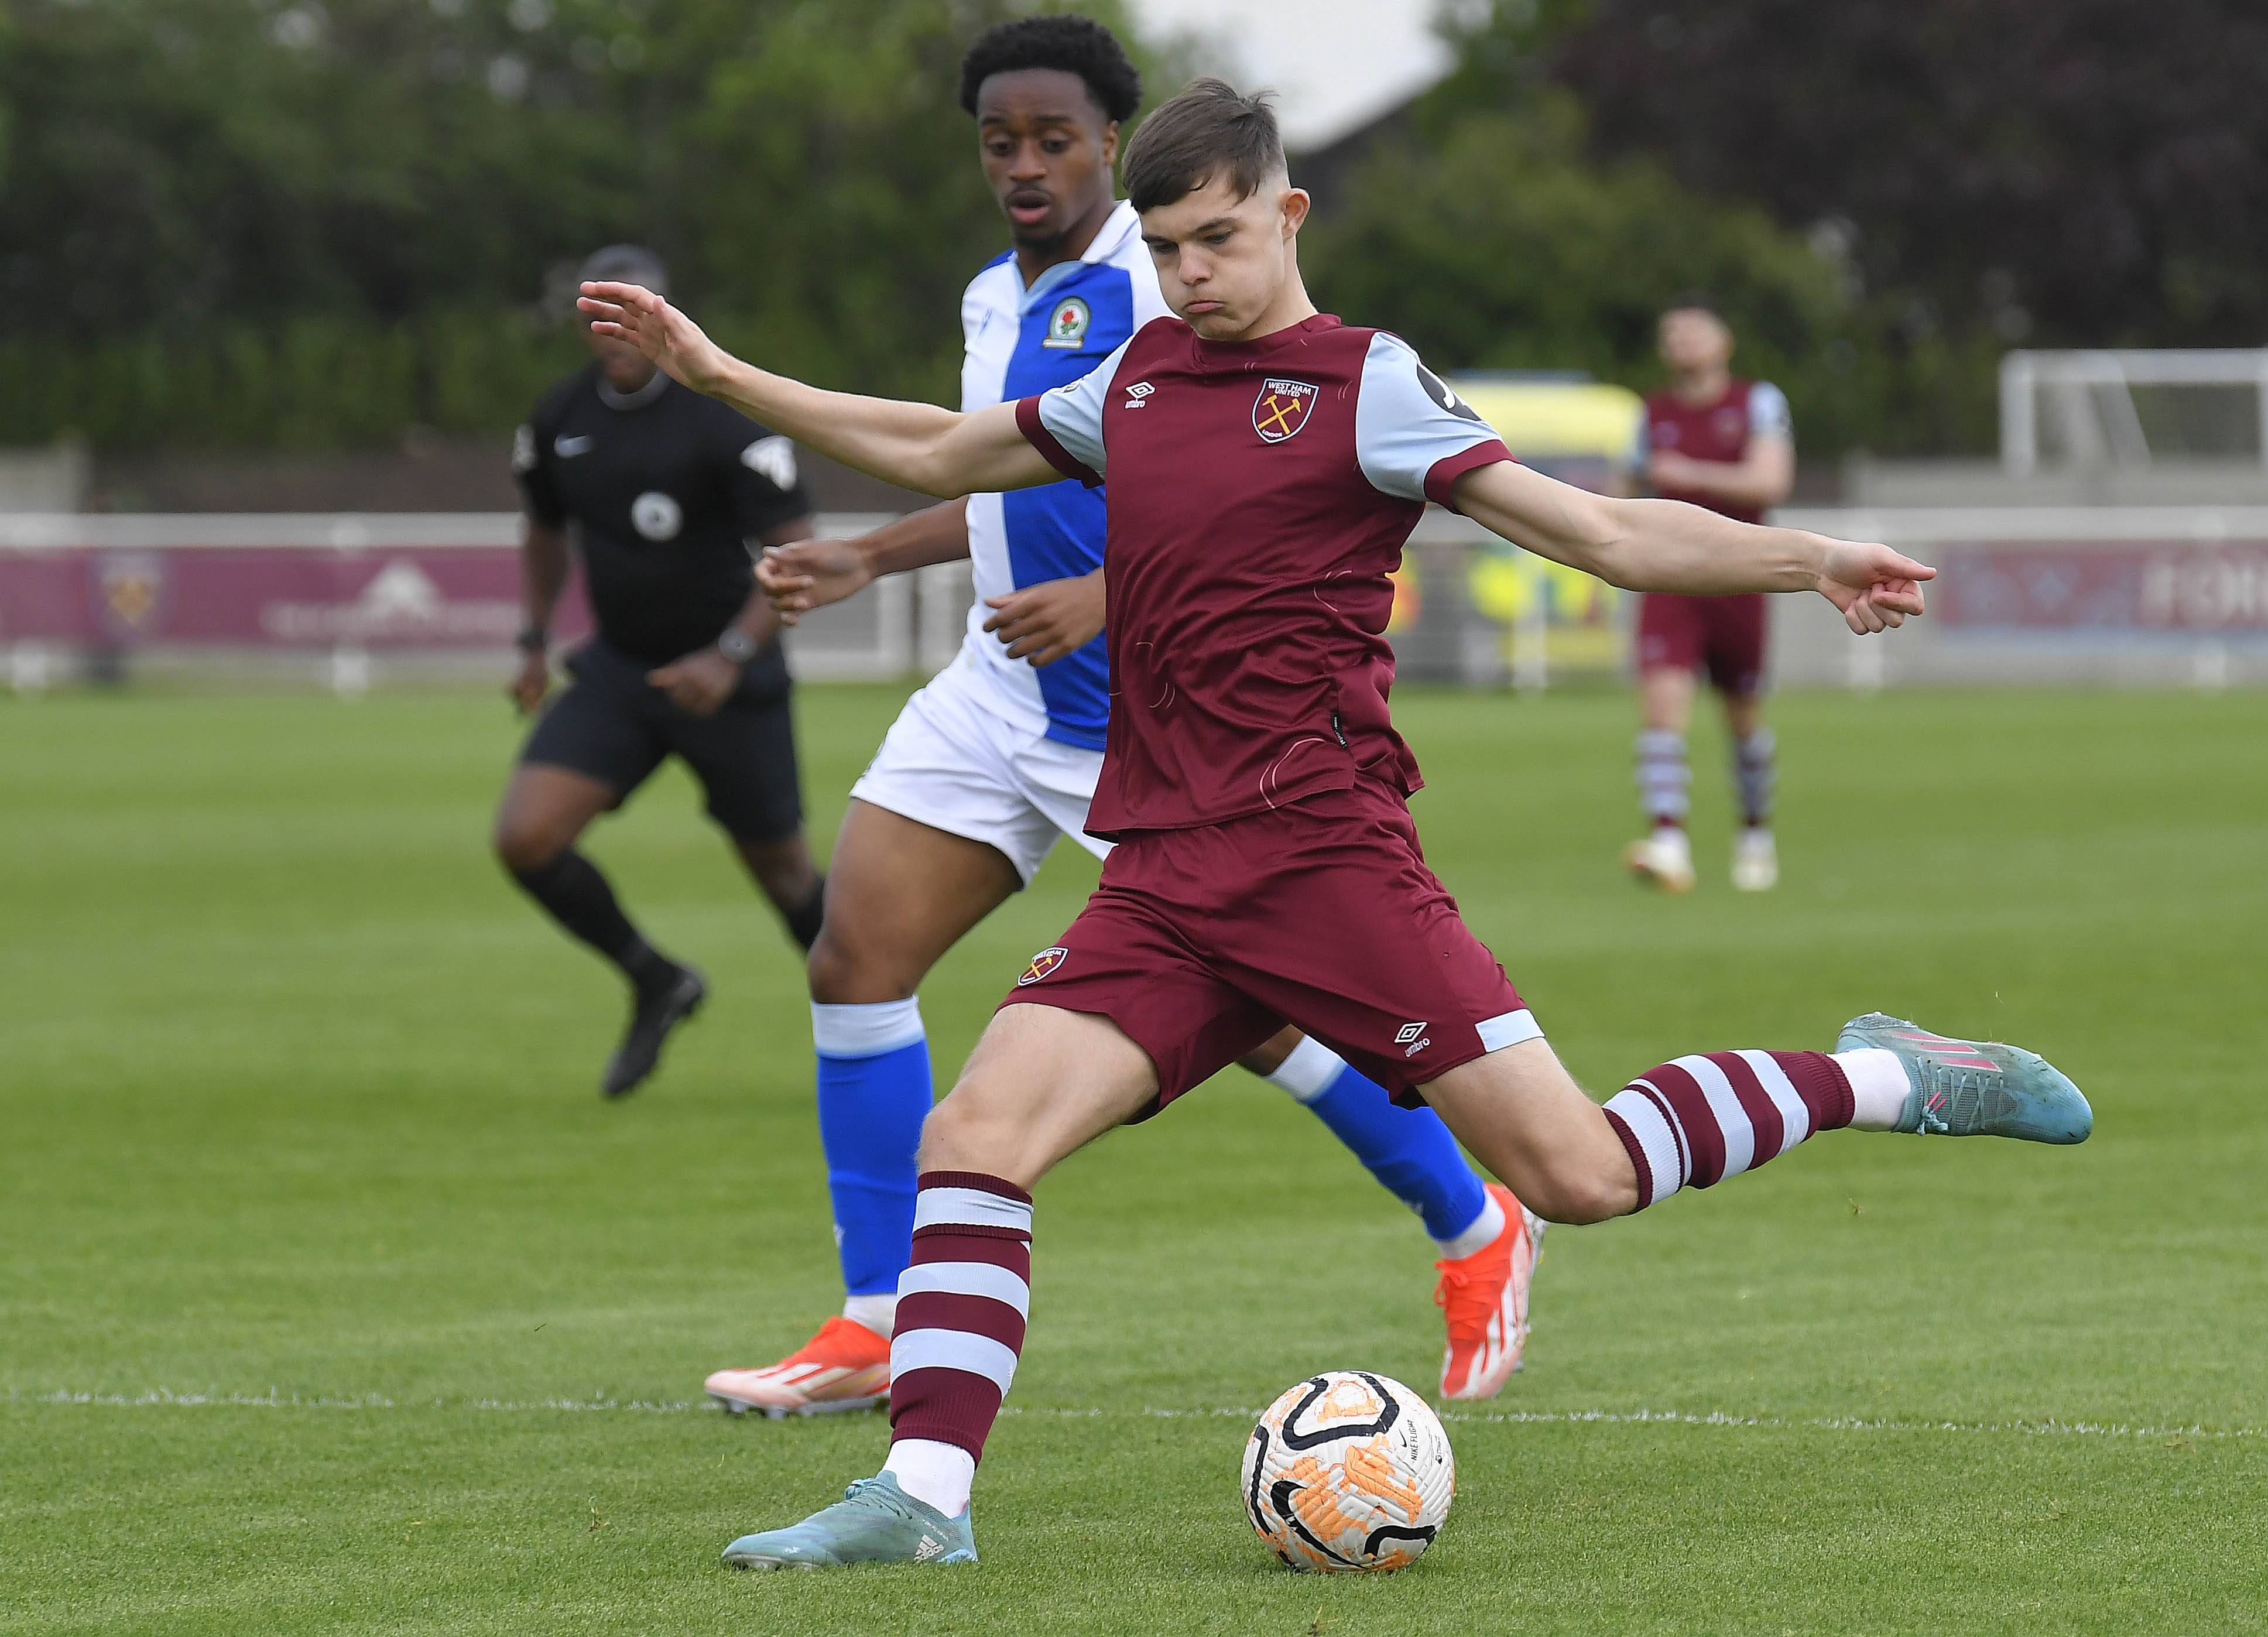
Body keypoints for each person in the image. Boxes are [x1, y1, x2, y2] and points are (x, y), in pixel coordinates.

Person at [578, 80, 2092, 1572]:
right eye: (1166, 248)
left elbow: (1606, 533)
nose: (1187, 277)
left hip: (1324, 864)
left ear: (1286, 213)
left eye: (1218, 240)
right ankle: (921, 1495)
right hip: (1166, 881)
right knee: (974, 1137)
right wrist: (715, 370)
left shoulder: (1366, 383)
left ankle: (1886, 1072)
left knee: (1581, 1175)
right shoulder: (1140, 380)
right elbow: (929, 450)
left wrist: (1811, 555)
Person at [700, 16, 1538, 1423]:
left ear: (1112, 143)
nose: (1025, 166)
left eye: (1055, 140)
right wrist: (872, 555)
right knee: (855, 955)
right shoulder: (991, 297)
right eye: (998, 143)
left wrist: (1104, 594)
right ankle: (879, 1318)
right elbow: (1000, 469)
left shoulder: (1174, 283)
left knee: (1257, 1014)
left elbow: (1221, 489)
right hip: (998, 686)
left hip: (1153, 714)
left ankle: (1475, 1220)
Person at [495, 244, 827, 1098]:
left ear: (665, 316)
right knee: (526, 838)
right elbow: (542, 530)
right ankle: (655, 978)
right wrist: (533, 640)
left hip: (730, 677)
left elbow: (795, 549)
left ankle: (869, 1029)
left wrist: (729, 655)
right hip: (623, 673)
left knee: (788, 879)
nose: (617, 333)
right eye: (599, 315)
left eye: (632, 313)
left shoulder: (721, 414)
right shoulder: (558, 419)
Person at [1623, 297, 1797, 894]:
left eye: (1693, 331)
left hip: (1738, 577)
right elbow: (1622, 487)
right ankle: (1668, 838)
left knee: (1743, 720)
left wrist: (1690, 474)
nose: (1681, 342)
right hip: (1669, 576)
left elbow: (1769, 480)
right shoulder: (1650, 414)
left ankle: (1754, 833)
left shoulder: (1757, 402)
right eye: (1670, 333)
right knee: (1661, 709)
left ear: (1723, 342)